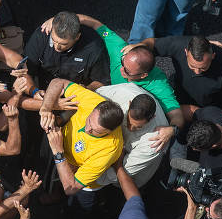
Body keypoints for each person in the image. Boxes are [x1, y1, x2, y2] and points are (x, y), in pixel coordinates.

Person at [40, 79, 123, 219]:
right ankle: (55, 196)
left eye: (95, 131)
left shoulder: (110, 148)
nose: (87, 130)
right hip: (65, 161)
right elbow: (57, 82)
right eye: (88, 122)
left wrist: (58, 151)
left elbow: (72, 187)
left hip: (84, 185)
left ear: (109, 132)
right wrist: (46, 109)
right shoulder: (92, 102)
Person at [76, 13, 184, 152]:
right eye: (122, 63)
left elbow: (177, 116)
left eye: (127, 71)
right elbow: (96, 24)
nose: (121, 70)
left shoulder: (159, 84)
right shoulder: (120, 50)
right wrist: (56, 20)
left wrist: (171, 130)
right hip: (106, 91)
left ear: (144, 75)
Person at [127, 35, 222, 123]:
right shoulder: (179, 44)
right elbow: (153, 43)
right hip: (181, 92)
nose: (197, 72)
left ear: (213, 56)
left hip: (210, 106)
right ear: (185, 52)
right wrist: (140, 46)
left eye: (203, 68)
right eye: (192, 66)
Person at [96, 85, 168, 186]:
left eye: (138, 127)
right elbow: (97, 93)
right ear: (129, 104)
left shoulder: (155, 141)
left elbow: (120, 172)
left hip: (131, 178)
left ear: (152, 118)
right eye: (129, 122)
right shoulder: (122, 92)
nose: (130, 129)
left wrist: (95, 179)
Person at [22, 11, 110, 94]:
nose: (57, 47)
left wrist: (85, 90)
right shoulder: (42, 35)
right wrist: (34, 92)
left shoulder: (94, 48)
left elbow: (101, 81)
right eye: (53, 40)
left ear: (77, 37)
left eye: (63, 44)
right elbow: (25, 71)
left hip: (76, 97)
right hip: (42, 91)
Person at [186, 106, 222, 174]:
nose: (193, 149)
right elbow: (191, 111)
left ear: (214, 145)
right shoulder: (210, 113)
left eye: (197, 148)